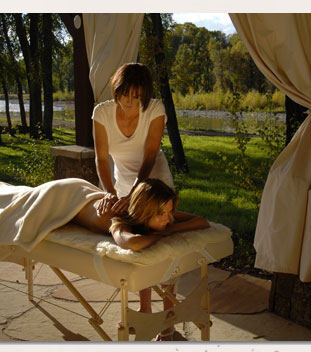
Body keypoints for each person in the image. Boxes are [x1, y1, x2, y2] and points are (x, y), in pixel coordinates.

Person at [71, 178, 210, 340]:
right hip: (71, 200)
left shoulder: (155, 212)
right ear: (145, 212)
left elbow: (202, 222)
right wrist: (162, 234)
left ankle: (166, 322)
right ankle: (151, 313)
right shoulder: (118, 218)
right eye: (161, 214)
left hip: (86, 192)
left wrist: (169, 229)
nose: (167, 219)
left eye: (169, 212)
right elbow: (132, 242)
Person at [92, 62, 174, 217]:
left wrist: (134, 194)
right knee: (126, 222)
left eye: (136, 96)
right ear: (116, 89)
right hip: (123, 182)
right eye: (124, 94)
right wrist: (109, 192)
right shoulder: (101, 113)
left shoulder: (155, 109)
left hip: (155, 181)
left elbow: (150, 157)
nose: (129, 101)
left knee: (160, 222)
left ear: (145, 95)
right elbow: (102, 159)